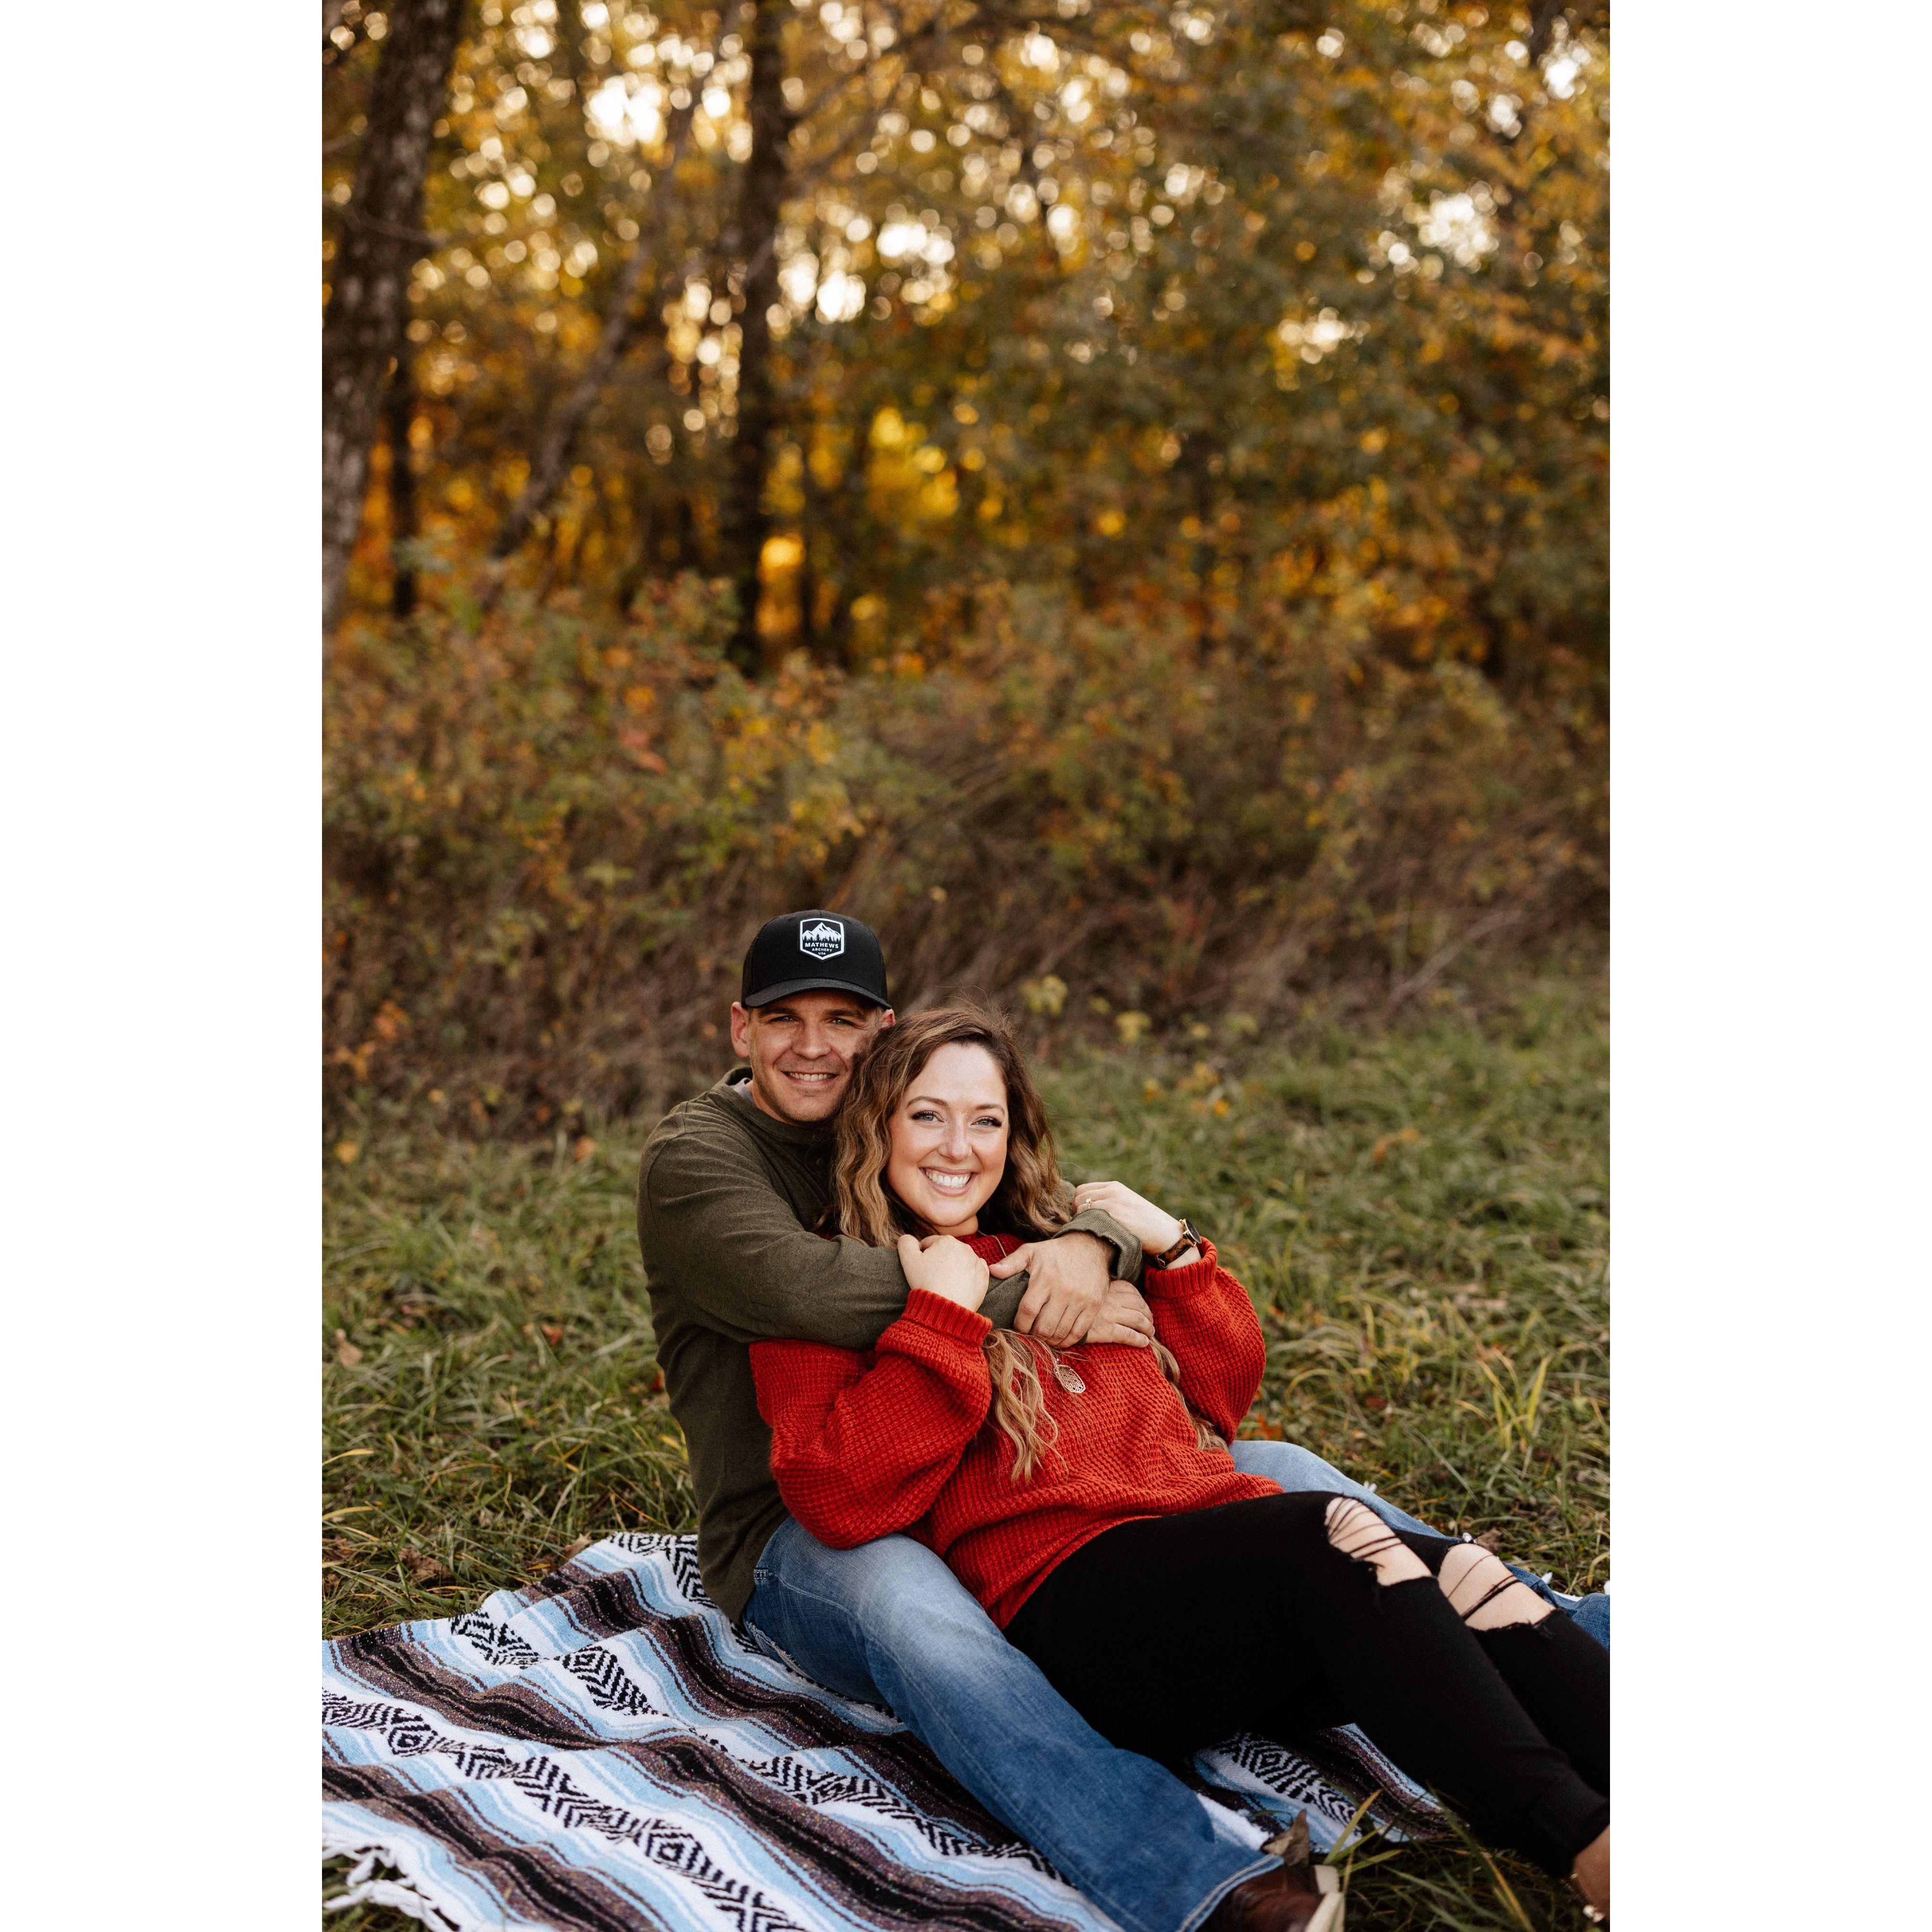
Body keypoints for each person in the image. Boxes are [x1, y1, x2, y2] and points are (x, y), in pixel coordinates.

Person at [636, 911, 1605, 1932]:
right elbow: (818, 1315)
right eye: (785, 1019)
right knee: (930, 1625)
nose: (815, 1045)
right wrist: (1007, 1295)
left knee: (1331, 1498)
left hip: (1114, 1503)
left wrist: (1112, 1241)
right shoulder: (705, 1162)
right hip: (800, 1525)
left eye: (844, 1020)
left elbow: (1210, 1390)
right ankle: (1187, 1875)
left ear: (881, 1041)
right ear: (741, 1030)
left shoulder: (965, 1162)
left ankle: (1594, 1662)